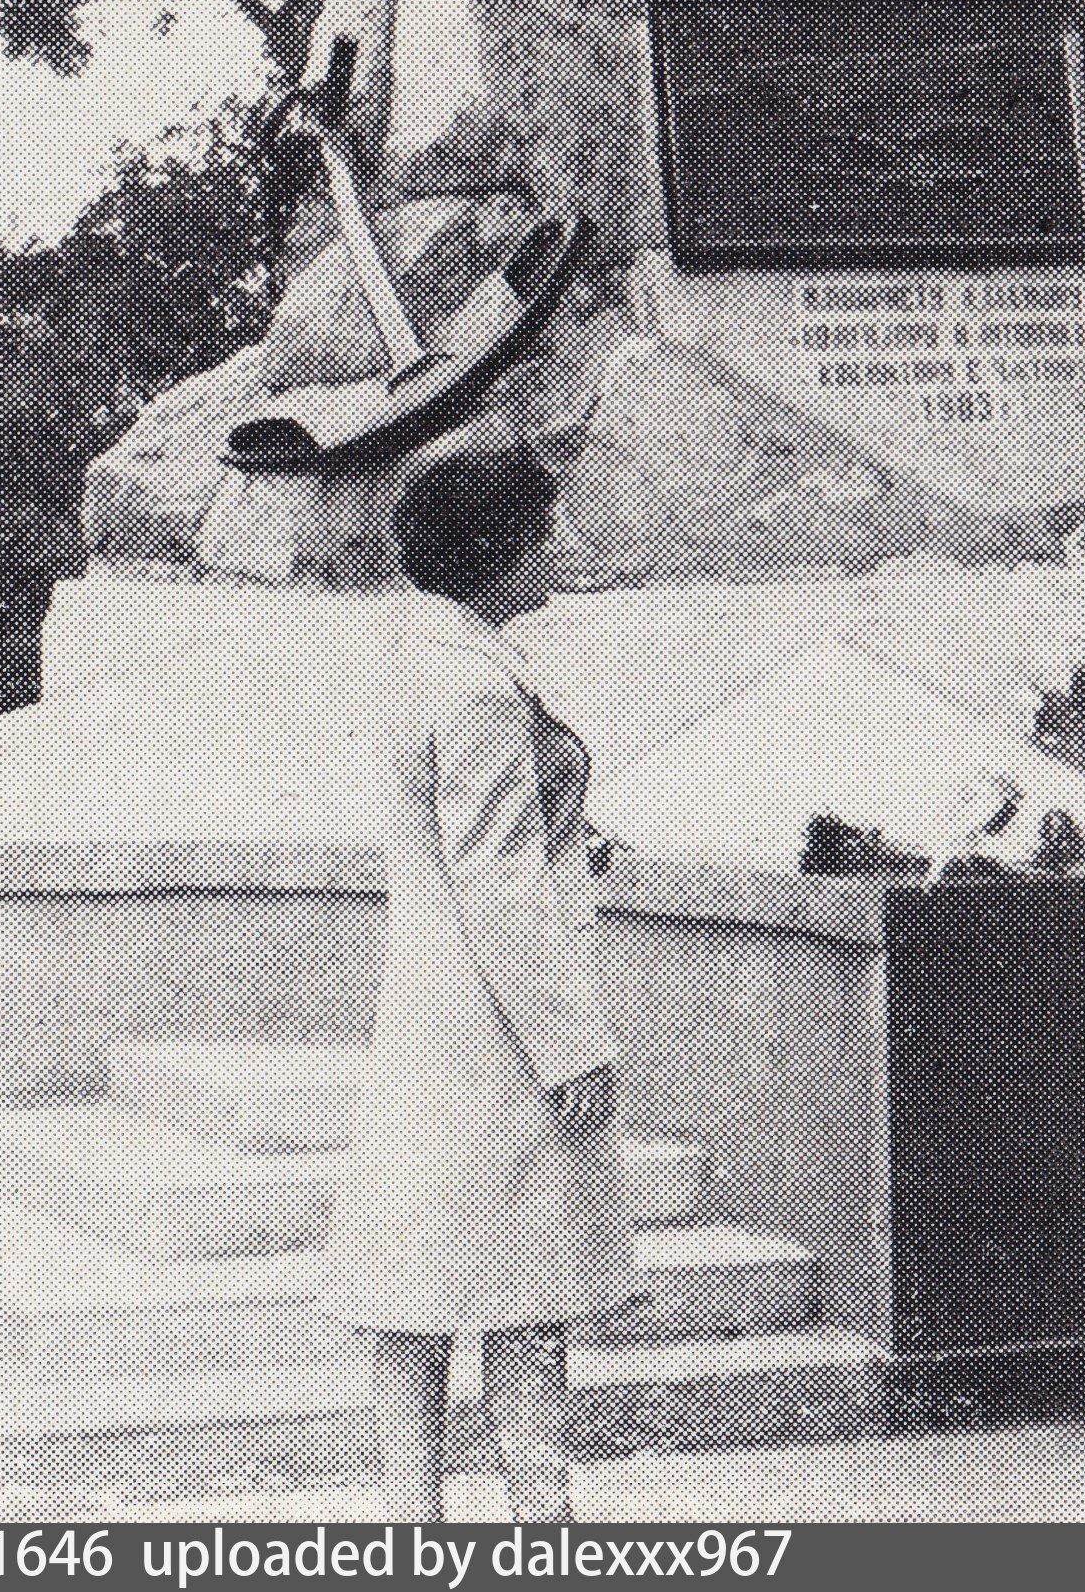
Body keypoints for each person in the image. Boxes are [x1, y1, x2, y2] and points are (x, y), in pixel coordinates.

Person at [319, 440, 637, 1520]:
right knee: (522, 1299)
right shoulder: (479, 688)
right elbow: (497, 882)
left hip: (431, 1016)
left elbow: (465, 845)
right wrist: (570, 1044)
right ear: (498, 550)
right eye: (543, 529)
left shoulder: (419, 654)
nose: (558, 545)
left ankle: (412, 1532)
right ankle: (544, 1532)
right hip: (499, 1031)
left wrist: (572, 844)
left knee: (416, 1302)